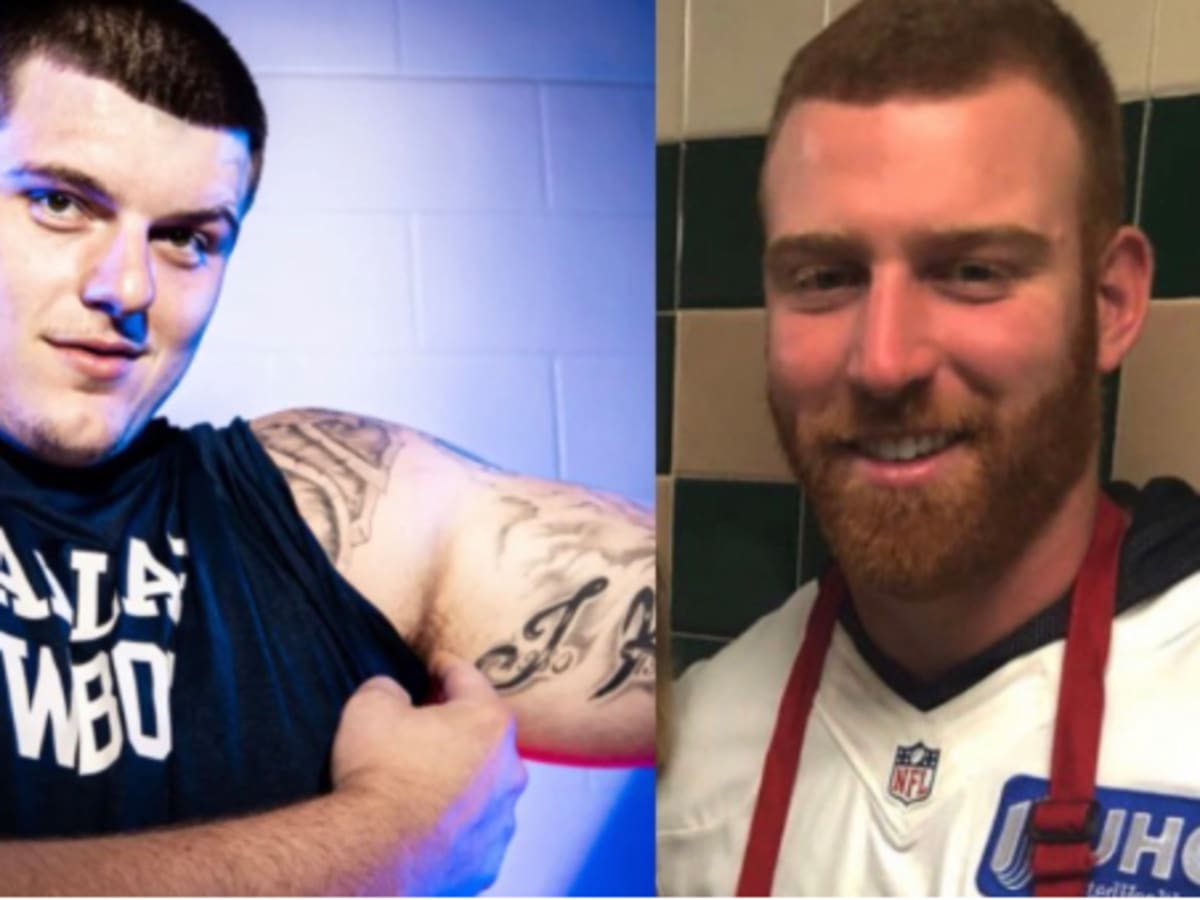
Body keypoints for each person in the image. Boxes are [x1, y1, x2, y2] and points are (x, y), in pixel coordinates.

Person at [0, 0, 654, 894]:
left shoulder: (329, 505)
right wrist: (398, 840)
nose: (127, 287)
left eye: (188, 238)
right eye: (60, 203)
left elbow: (761, 630)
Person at [655, 0, 1200, 895]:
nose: (882, 361)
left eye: (973, 271)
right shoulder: (692, 762)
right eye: (824, 278)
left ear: (1109, 303)